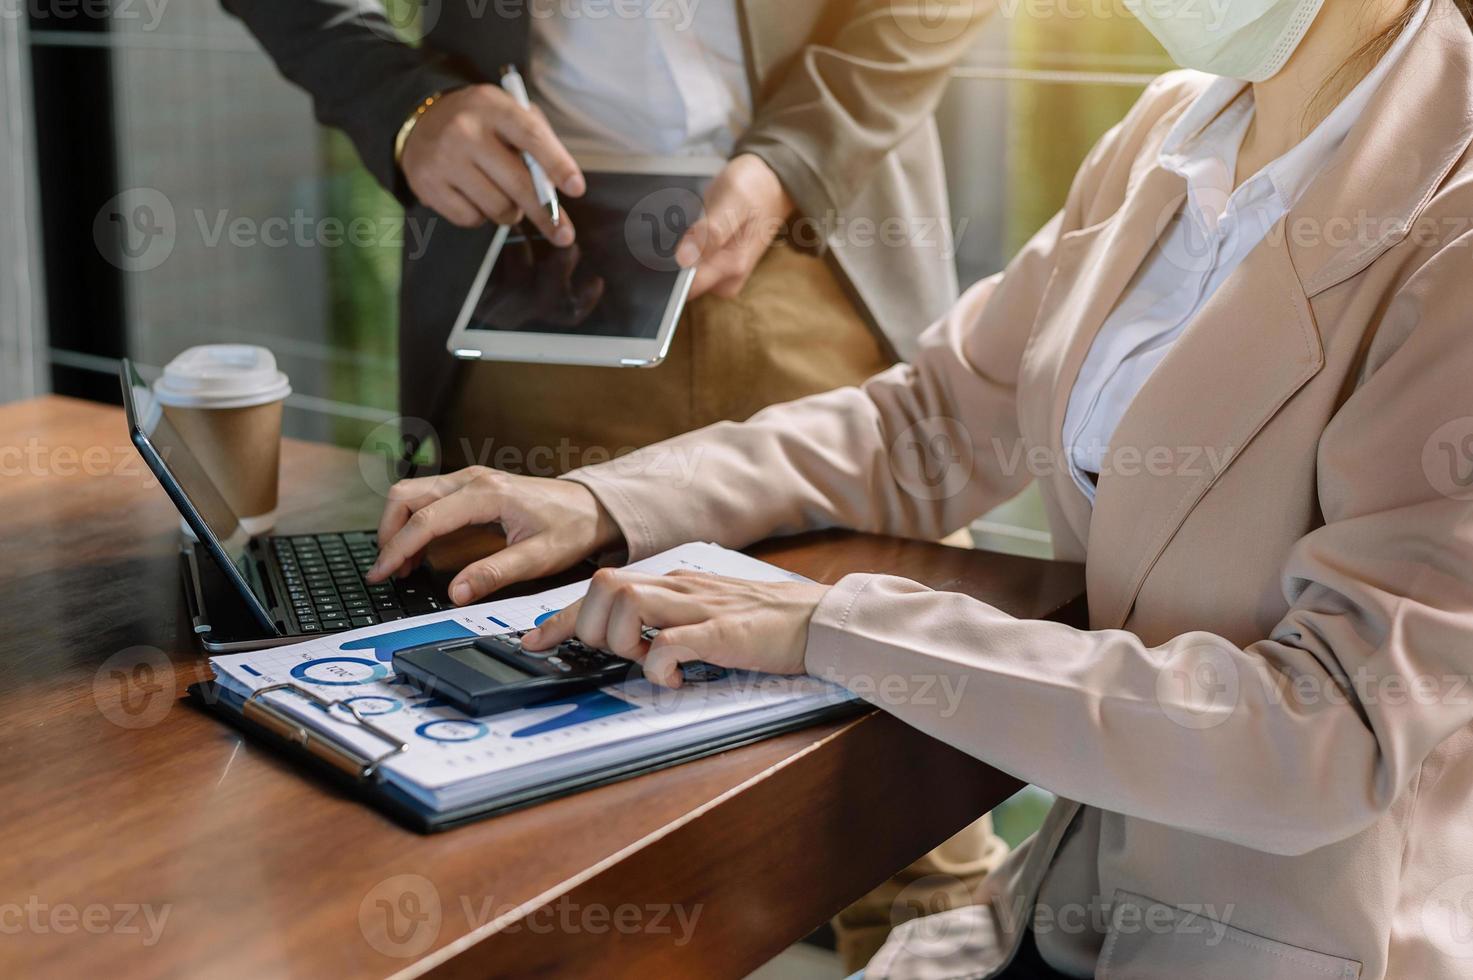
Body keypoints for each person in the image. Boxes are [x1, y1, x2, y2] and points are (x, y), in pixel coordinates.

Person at [368, 0, 1473, 975]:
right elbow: (929, 419)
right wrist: (607, 501)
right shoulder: (1172, 131)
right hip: (1069, 904)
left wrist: (838, 627)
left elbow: (1335, 731)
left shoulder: (1451, 231)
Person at [220, 0, 987, 471]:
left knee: (875, 690)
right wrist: (399, 102)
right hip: (527, 291)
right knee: (520, 672)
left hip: (828, 267)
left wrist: (794, 162)